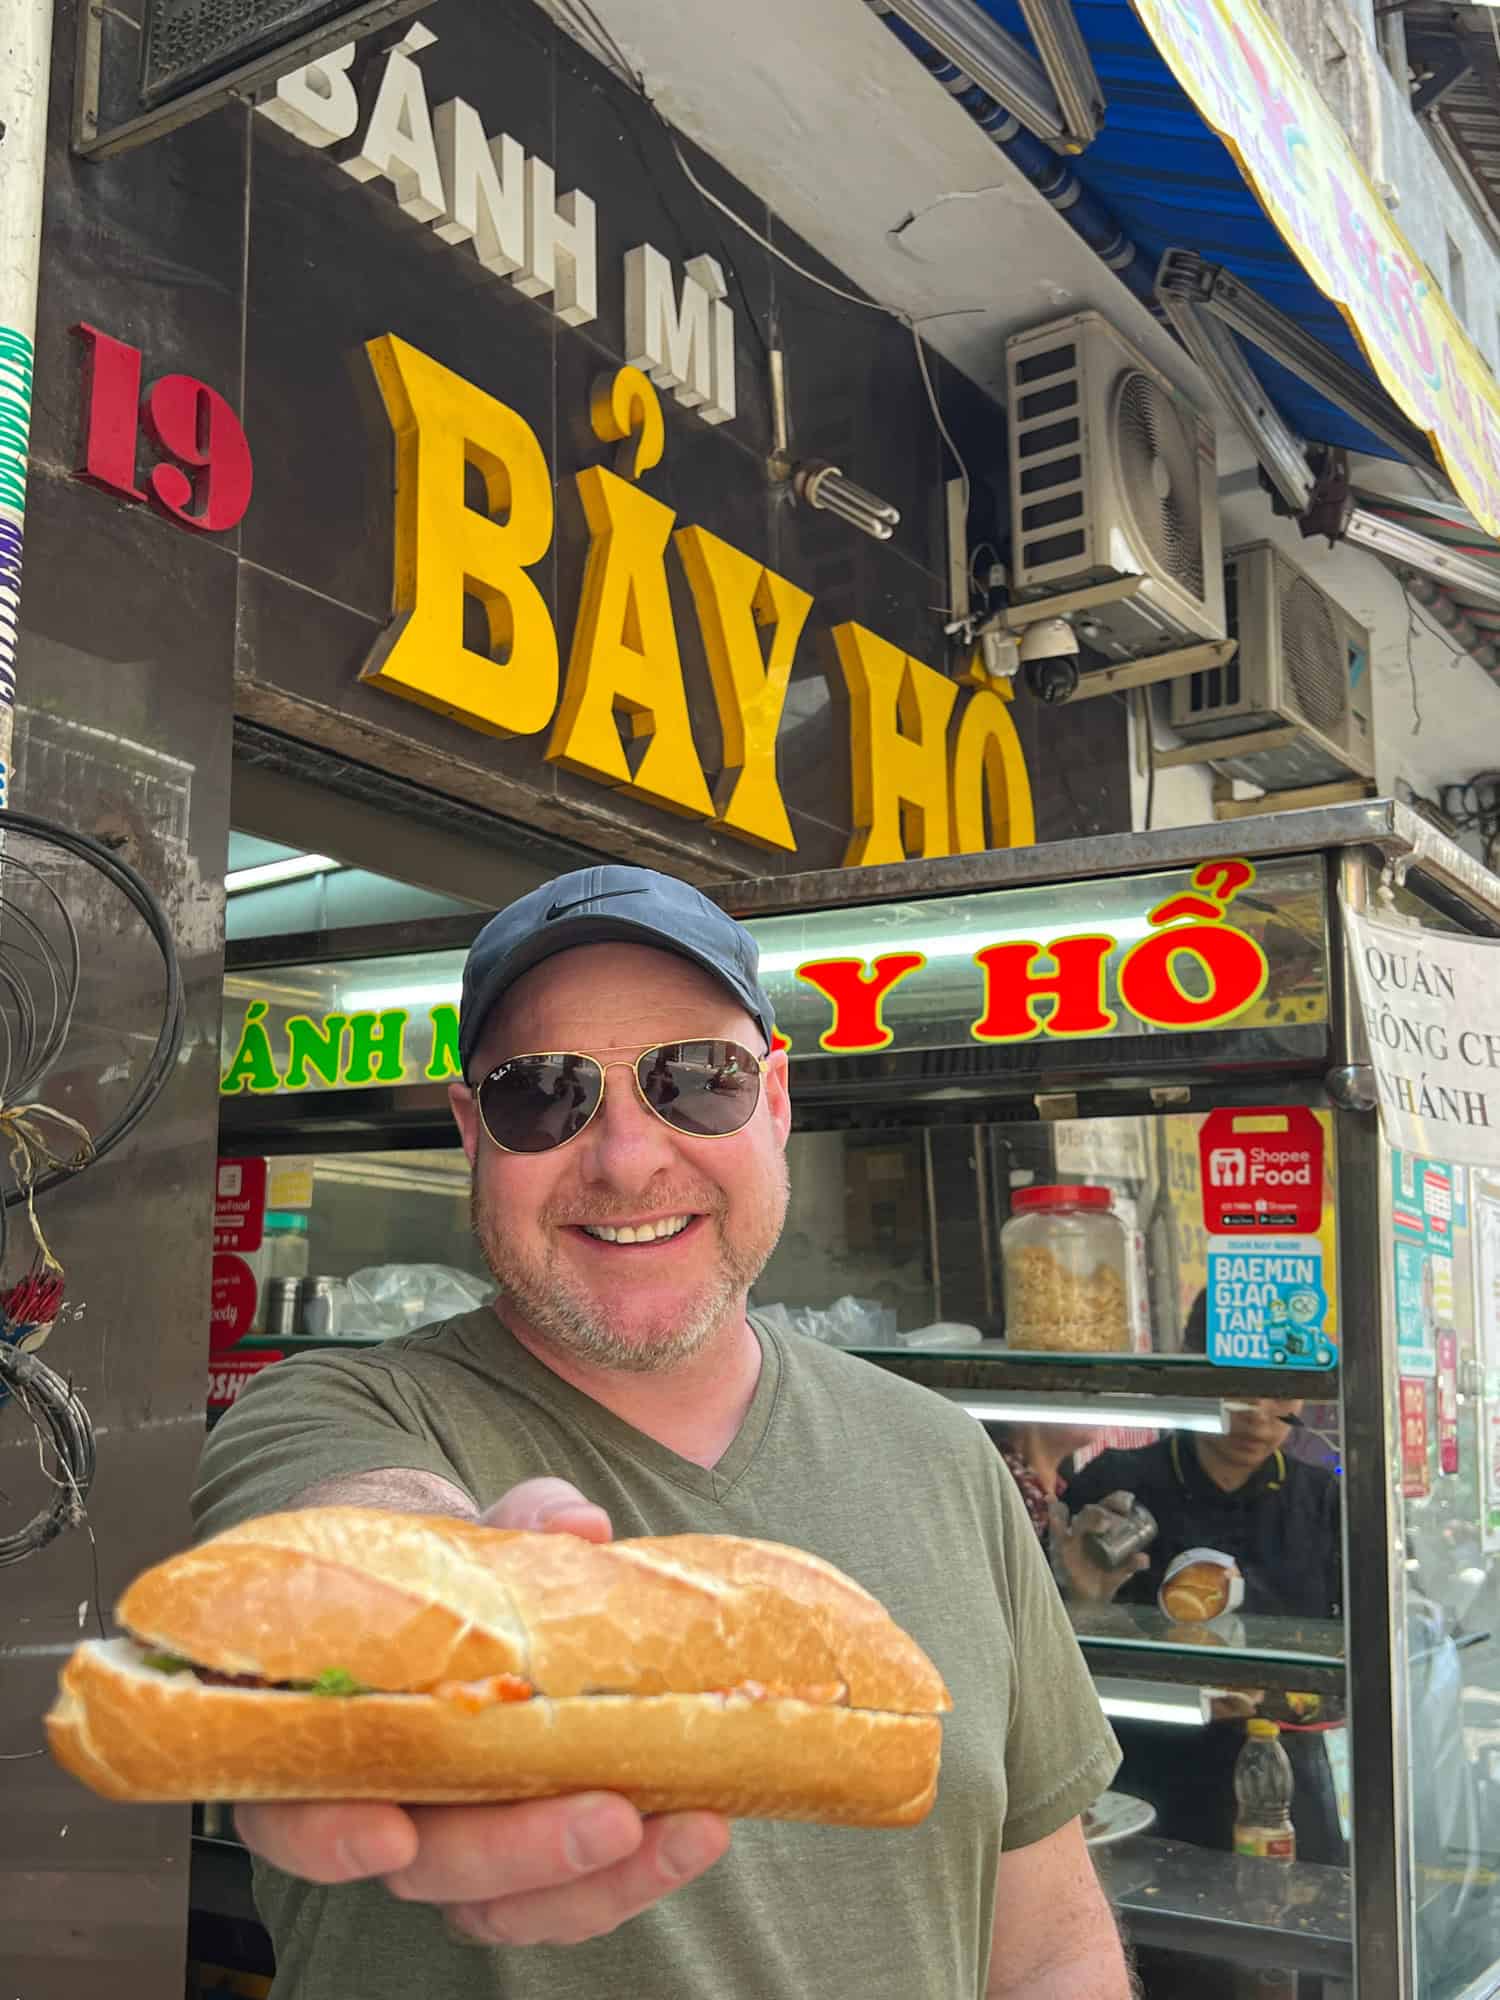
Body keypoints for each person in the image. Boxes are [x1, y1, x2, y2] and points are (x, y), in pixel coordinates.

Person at [193, 864, 1132, 2000]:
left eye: (697, 1080)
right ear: (472, 1131)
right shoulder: (333, 1411)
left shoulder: (946, 1458)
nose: (628, 1158)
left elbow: (1049, 1946)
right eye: (545, 1095)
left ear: (775, 1101)